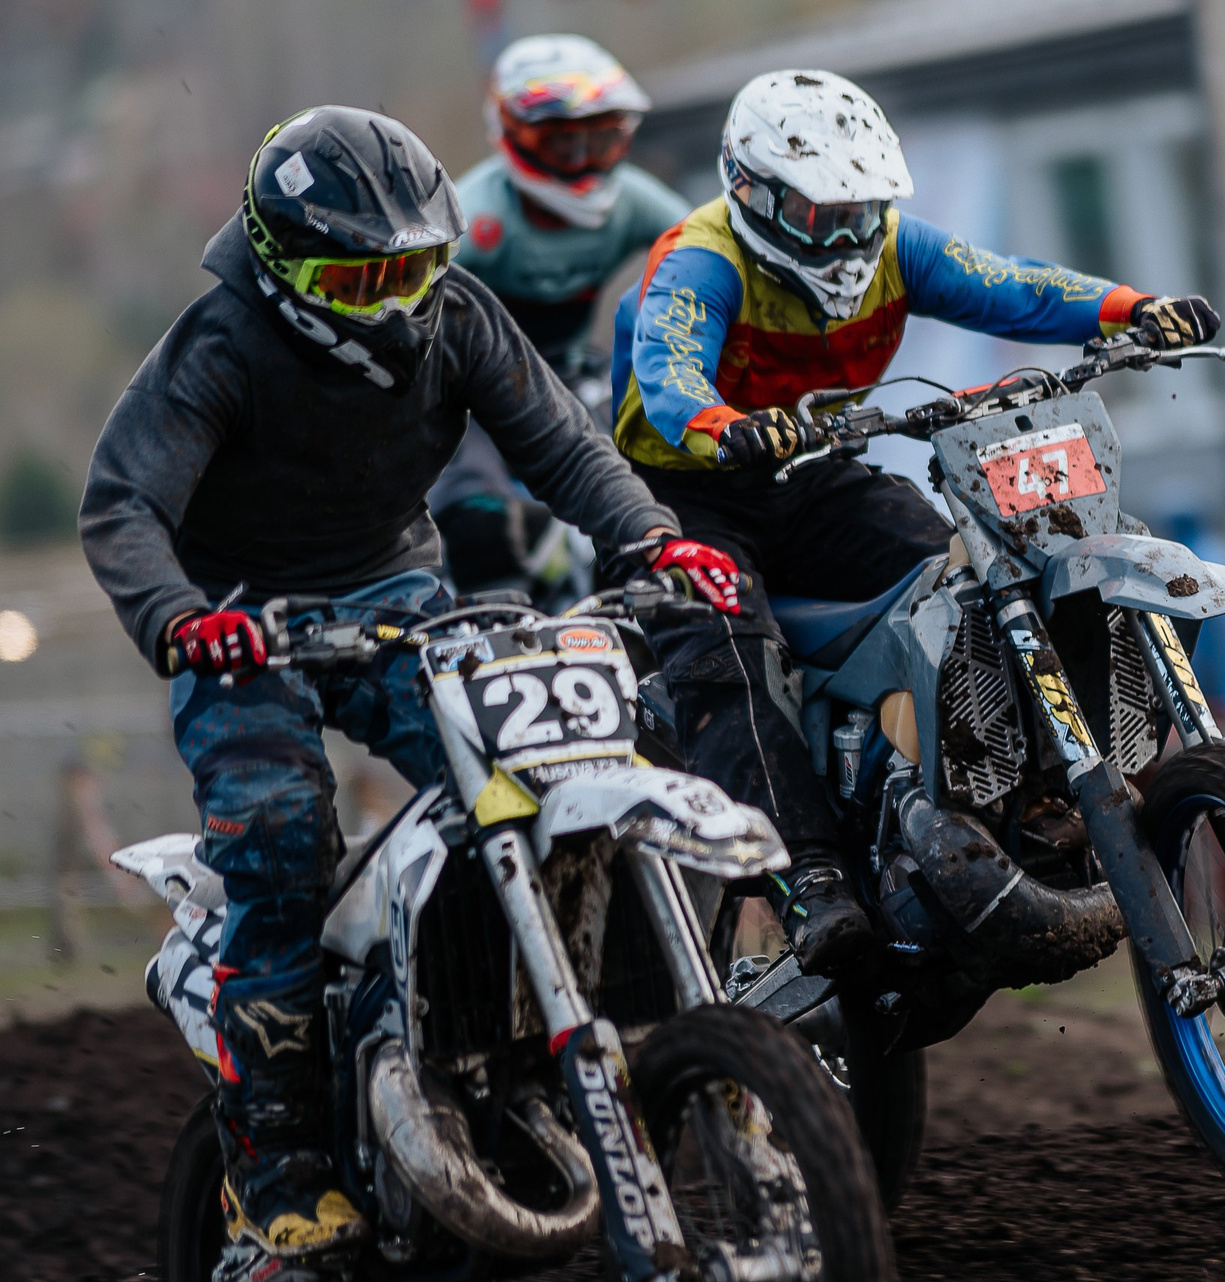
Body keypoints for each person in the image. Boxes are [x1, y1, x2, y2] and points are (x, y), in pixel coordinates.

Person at [77, 107, 740, 1280]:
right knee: (280, 830)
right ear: (281, 267)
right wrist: (182, 619)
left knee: (554, 772)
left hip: (396, 597)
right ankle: (279, 1161)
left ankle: (514, 1031)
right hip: (243, 624)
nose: (392, 303)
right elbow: (124, 506)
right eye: (358, 278)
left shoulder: (461, 318)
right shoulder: (220, 345)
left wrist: (650, 535)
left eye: (411, 269)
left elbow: (564, 444)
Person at [611, 69, 1221, 975]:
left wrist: (1132, 309)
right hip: (678, 491)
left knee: (964, 581)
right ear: (750, 192)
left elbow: (1013, 287)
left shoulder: (897, 248)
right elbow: (668, 375)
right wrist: (722, 424)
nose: (848, 237)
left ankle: (1018, 791)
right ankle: (810, 876)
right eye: (823, 216)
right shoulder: (701, 260)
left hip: (809, 470)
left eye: (862, 211)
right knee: (729, 656)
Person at [429, 34, 690, 595]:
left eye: (600, 141)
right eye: (562, 144)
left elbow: (710, 260)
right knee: (475, 521)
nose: (580, 163)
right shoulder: (474, 216)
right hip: (470, 397)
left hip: (570, 377)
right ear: (509, 132)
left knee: (655, 494)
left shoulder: (632, 201)